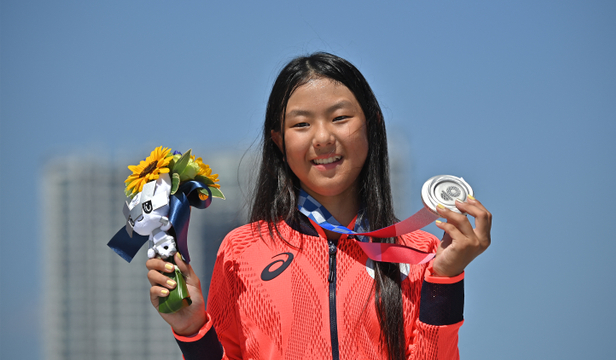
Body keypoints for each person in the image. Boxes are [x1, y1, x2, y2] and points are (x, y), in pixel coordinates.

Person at [146, 52, 492, 360]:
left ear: (370, 127)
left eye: (340, 118)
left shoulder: (419, 253)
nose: (323, 137)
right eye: (301, 124)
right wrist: (192, 329)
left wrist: (445, 279)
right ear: (279, 141)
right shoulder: (241, 250)